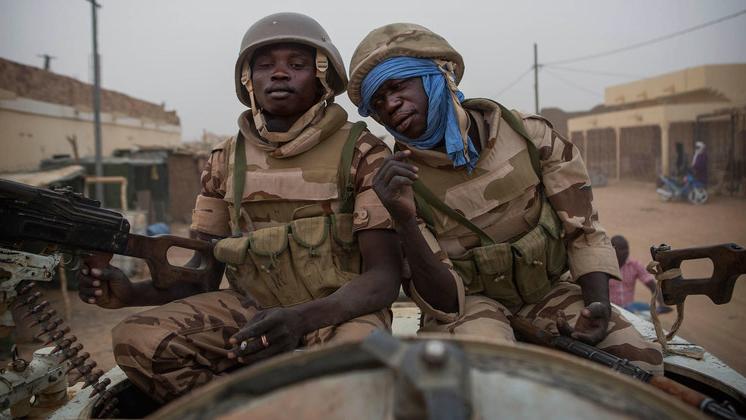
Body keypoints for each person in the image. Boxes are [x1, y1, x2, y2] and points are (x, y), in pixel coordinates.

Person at [77, 13, 402, 403]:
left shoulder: (362, 152)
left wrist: (299, 320)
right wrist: (131, 293)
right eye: (265, 65)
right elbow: (201, 278)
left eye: (297, 64)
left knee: (357, 372)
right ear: (248, 80)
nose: (279, 73)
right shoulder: (226, 160)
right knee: (139, 341)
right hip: (252, 310)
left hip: (340, 311)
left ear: (322, 78)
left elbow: (383, 278)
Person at [347, 23, 664, 374]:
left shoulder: (528, 134)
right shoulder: (397, 181)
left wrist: (598, 305)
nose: (391, 105)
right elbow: (445, 302)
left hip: (549, 291)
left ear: (438, 74)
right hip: (471, 308)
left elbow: (584, 232)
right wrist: (404, 219)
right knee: (486, 379)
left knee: (641, 362)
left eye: (397, 86)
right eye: (378, 102)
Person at [610, 235, 672, 314]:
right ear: (612, 250)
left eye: (626, 248)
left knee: (647, 308)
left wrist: (662, 303)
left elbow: (652, 285)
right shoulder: (604, 267)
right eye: (622, 249)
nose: (625, 252)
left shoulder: (635, 265)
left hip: (629, 310)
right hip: (611, 310)